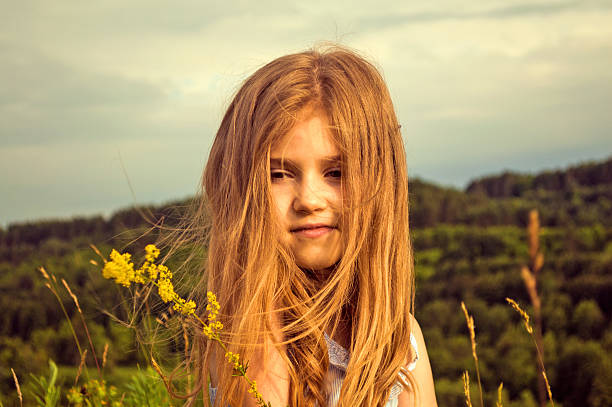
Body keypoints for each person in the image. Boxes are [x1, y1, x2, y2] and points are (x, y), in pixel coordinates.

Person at [191, 44, 437, 407]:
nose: (308, 199)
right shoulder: (253, 333)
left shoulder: (401, 337)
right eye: (278, 174)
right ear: (243, 189)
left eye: (335, 172)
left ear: (380, 183)